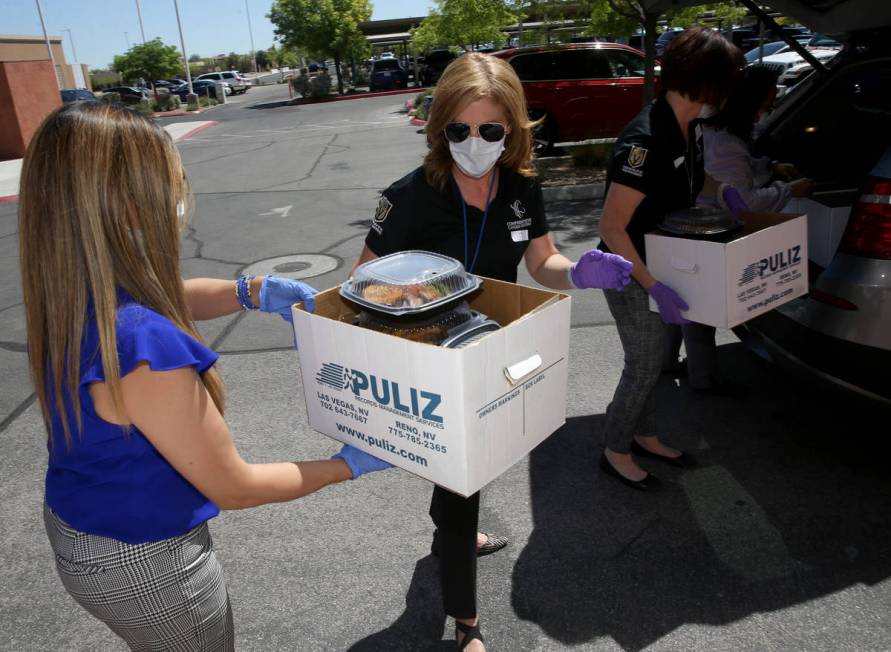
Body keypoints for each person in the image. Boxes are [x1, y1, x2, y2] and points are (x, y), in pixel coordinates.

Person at [19, 101, 392, 651]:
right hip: (148, 563)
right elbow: (234, 487)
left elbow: (164, 300)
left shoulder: (70, 294)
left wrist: (250, 290)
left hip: (87, 527)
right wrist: (348, 464)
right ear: (126, 199)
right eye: (169, 178)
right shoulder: (146, 346)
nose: (179, 192)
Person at [351, 52, 632, 651]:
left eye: (489, 130)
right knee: (463, 483)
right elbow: (362, 283)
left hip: (491, 349)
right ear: (439, 127)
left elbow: (541, 264)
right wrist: (412, 298)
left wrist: (581, 272)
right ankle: (467, 624)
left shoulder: (524, 190)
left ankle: (452, 521)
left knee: (472, 466)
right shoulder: (408, 197)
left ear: (514, 129)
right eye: (459, 130)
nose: (473, 142)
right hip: (431, 355)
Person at [597, 28, 744, 490]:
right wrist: (651, 284)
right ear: (706, 80)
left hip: (663, 262)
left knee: (649, 360)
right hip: (626, 269)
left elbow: (690, 184)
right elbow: (611, 227)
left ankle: (645, 435)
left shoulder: (691, 125)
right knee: (642, 365)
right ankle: (615, 449)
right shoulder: (646, 139)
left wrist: (724, 191)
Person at [663, 65, 814, 393]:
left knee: (676, 302)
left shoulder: (710, 131)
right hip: (706, 232)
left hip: (680, 227)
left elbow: (732, 174)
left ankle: (666, 363)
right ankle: (705, 379)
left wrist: (769, 166)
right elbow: (745, 204)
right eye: (766, 104)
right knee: (699, 314)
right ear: (748, 104)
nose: (767, 111)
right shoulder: (728, 142)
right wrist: (790, 190)